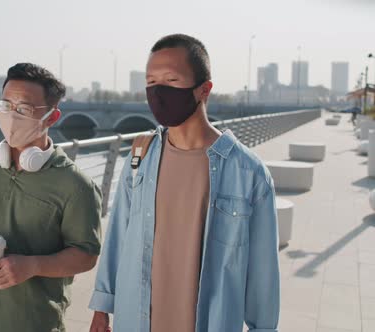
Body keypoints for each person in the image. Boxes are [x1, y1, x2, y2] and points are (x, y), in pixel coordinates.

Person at [89, 34, 280, 332]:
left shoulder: (249, 173)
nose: (158, 91)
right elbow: (118, 236)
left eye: (170, 80)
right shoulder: (140, 157)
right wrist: (102, 307)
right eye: (151, 82)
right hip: (136, 321)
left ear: (204, 89)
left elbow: (262, 272)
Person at [0, 63, 103, 332]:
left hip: (35, 323)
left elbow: (86, 255)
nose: (11, 116)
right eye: (5, 106)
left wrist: (32, 265)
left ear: (52, 118)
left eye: (23, 109)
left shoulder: (76, 185)